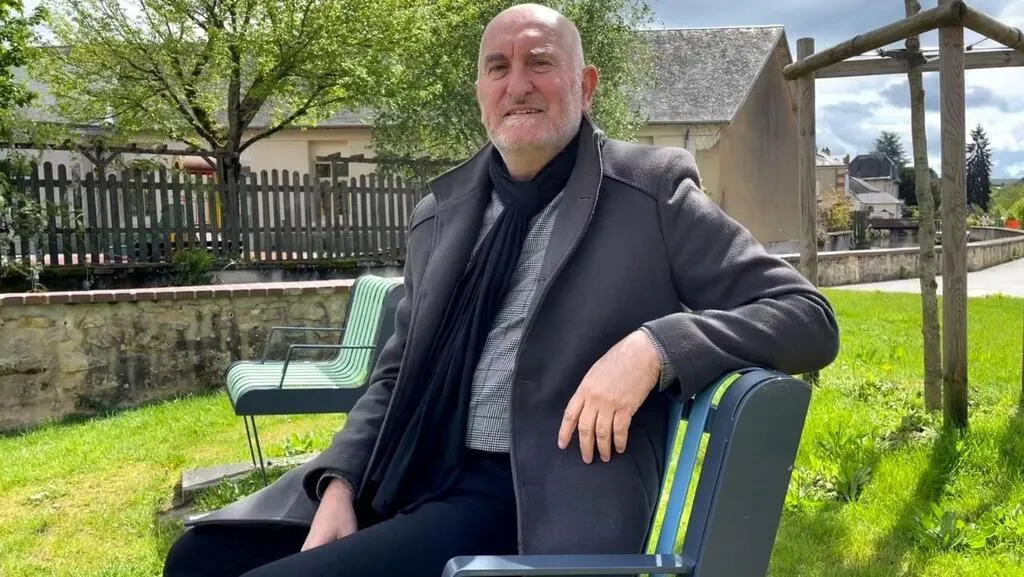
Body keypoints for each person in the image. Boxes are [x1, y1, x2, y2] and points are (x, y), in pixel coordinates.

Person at [162, 3, 840, 576]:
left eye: (540, 62)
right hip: (409, 467)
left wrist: (655, 347)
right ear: (481, 92)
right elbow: (395, 375)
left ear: (585, 85)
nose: (518, 84)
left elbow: (806, 315)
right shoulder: (442, 213)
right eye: (498, 67)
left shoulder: (649, 193)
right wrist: (340, 482)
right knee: (197, 558)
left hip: (527, 501)